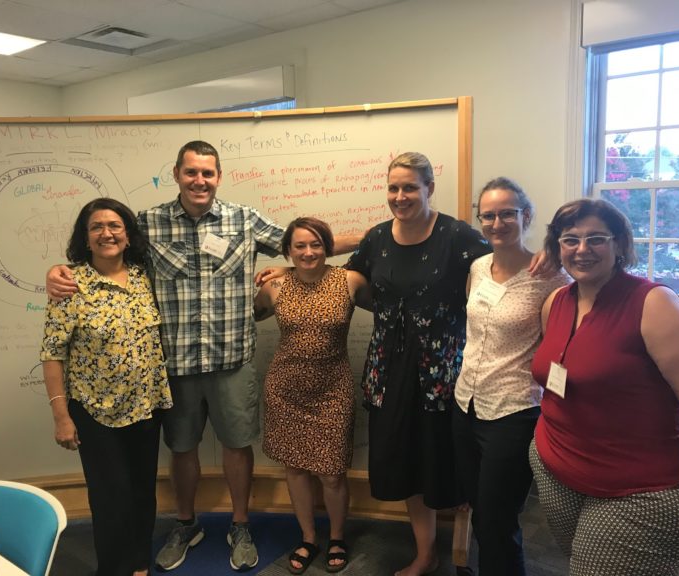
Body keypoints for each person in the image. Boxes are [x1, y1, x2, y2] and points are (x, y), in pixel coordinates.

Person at [46, 141, 362, 572]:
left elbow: (308, 244)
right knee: (182, 447)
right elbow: (105, 253)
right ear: (176, 173)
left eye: (208, 173)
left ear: (218, 176)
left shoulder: (243, 219)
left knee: (237, 445)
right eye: (191, 172)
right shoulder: (147, 224)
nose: (200, 181)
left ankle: (240, 524)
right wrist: (57, 271)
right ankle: (185, 522)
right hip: (174, 366)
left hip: (232, 358)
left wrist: (383, 235)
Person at [344, 152, 491, 576]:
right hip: (389, 368)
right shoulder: (375, 238)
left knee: (444, 457)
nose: (400, 196)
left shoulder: (458, 235)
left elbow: (498, 268)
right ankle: (425, 552)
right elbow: (348, 281)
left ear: (429, 188)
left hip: (443, 371)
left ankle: (472, 540)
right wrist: (287, 267)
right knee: (406, 459)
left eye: (410, 187)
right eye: (393, 187)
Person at [529, 198, 679, 576]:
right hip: (557, 468)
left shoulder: (654, 303)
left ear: (619, 244)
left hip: (637, 489)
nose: (582, 250)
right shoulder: (556, 302)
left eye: (596, 238)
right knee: (579, 560)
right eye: (570, 240)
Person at [40, 198, 173, 576]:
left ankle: (138, 563)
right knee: (110, 498)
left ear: (128, 236)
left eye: (114, 225)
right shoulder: (69, 284)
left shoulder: (146, 278)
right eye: (97, 227)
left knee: (141, 493)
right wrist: (61, 416)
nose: (106, 233)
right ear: (86, 237)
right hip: (95, 411)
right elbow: (52, 353)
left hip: (147, 407)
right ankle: (113, 569)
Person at [451, 178, 568, 576]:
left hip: (513, 411)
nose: (497, 222)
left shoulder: (551, 280)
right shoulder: (477, 268)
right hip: (465, 403)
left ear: (526, 216)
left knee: (498, 520)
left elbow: (559, 354)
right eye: (488, 215)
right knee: (477, 507)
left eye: (507, 214)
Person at [254, 217, 369, 574]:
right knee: (296, 468)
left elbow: (390, 300)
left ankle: (337, 537)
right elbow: (249, 316)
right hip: (285, 390)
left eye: (316, 244)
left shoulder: (350, 281)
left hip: (332, 390)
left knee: (332, 474)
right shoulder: (275, 285)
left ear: (328, 247)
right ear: (288, 250)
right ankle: (308, 538)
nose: (308, 252)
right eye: (299, 246)